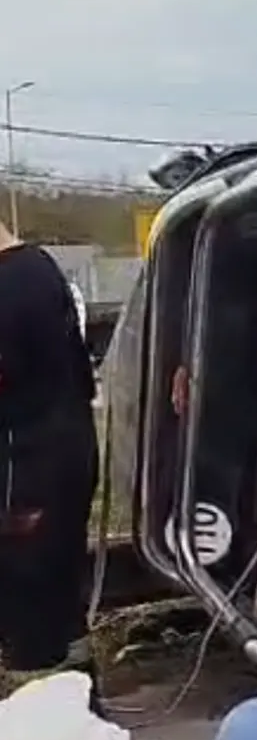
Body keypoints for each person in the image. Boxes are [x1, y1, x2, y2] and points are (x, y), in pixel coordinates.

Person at [0, 221, 101, 713]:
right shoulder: (40, 269)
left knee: (27, 607)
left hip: (28, 471)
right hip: (68, 454)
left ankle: (40, 730)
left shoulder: (8, 285)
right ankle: (83, 712)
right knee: (62, 597)